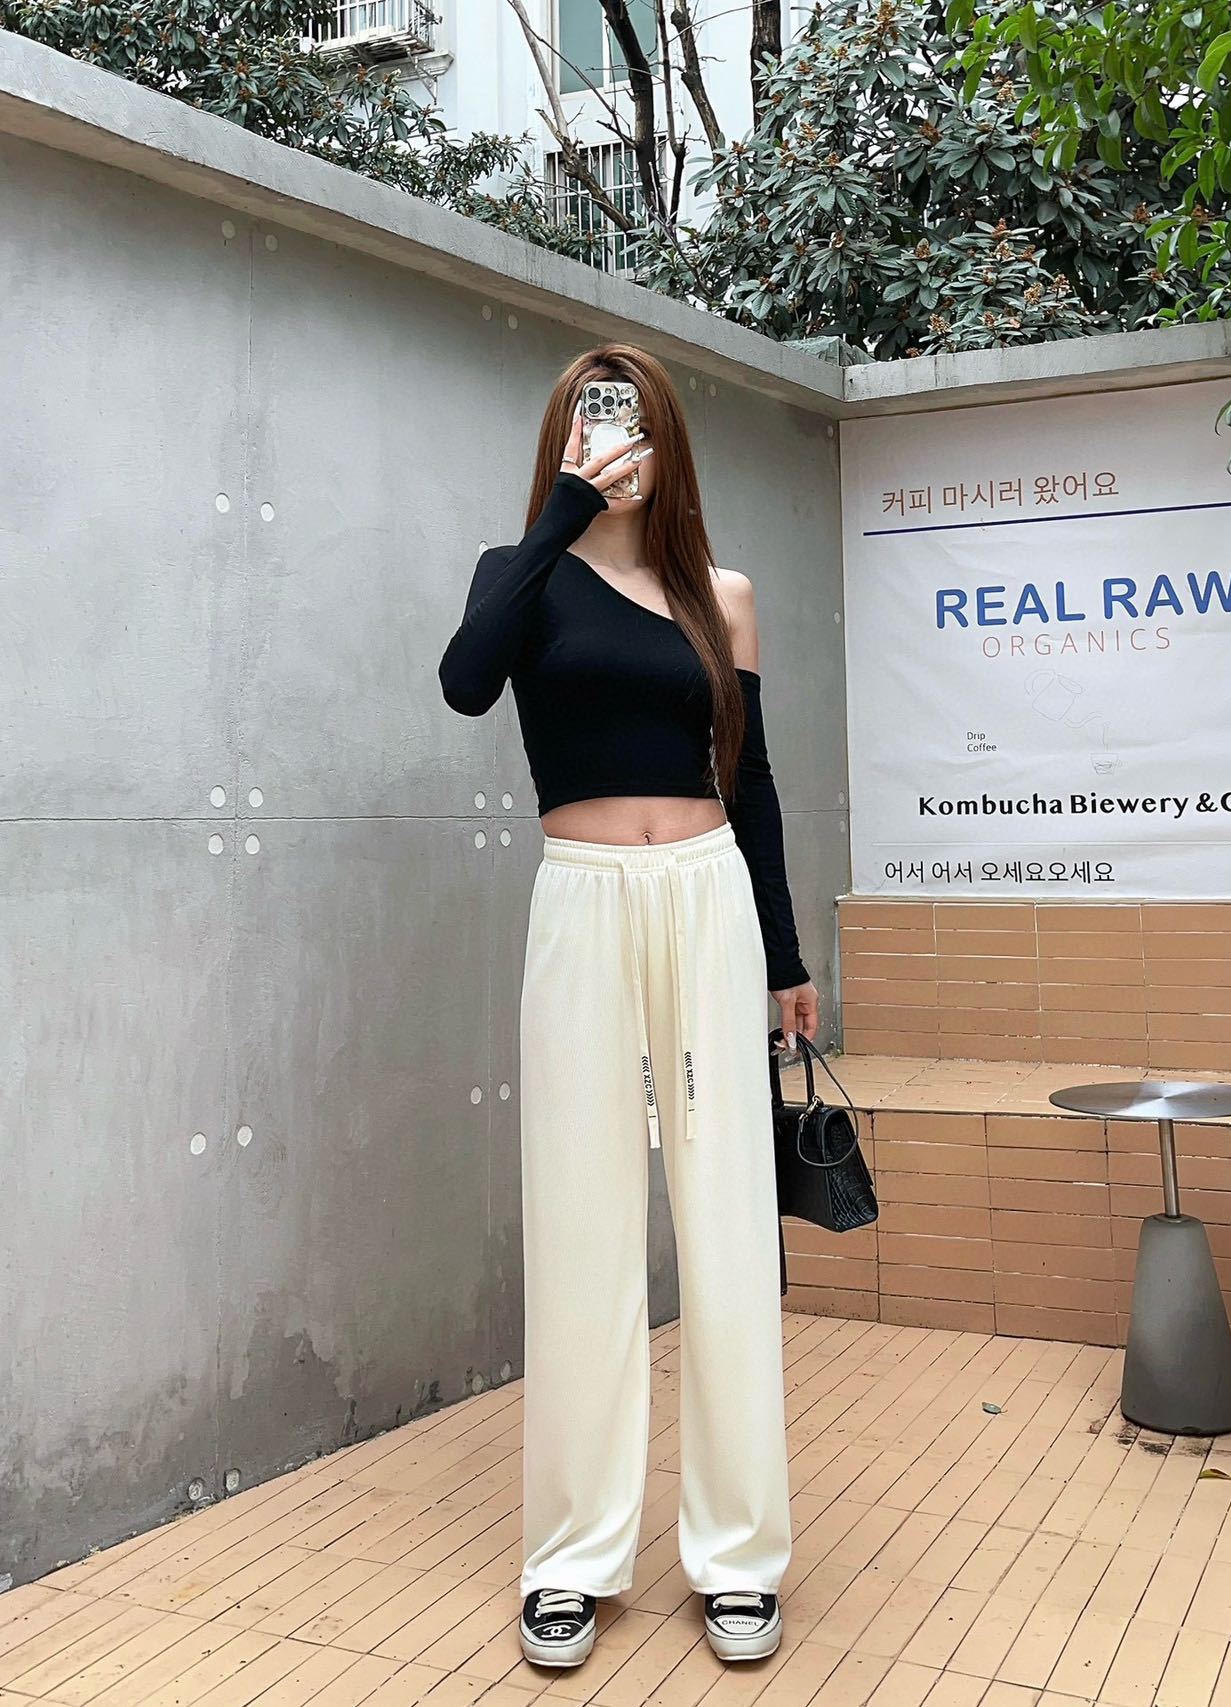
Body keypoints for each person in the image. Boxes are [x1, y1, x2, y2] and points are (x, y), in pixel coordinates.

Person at [437, 342, 819, 1670]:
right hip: (583, 903)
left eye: (635, 419)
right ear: (564, 434)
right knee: (582, 1222)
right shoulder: (521, 575)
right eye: (592, 418)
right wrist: (560, 513)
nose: (616, 438)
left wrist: (785, 958)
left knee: (726, 1225)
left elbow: (752, 781)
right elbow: (464, 681)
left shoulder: (722, 595)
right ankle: (572, 1555)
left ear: (668, 439)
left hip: (707, 899)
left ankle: (738, 1557)